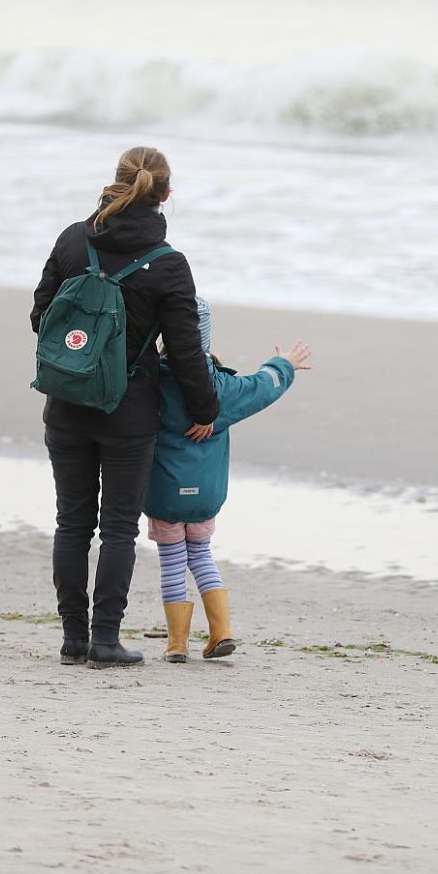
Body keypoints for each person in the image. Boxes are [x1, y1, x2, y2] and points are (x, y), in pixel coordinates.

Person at [31, 146, 219, 669]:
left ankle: (73, 639)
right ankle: (105, 641)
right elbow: (185, 352)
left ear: (117, 182)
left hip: (66, 404)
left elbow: (40, 317)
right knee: (117, 528)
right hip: (129, 413)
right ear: (166, 193)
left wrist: (84, 351)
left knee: (71, 523)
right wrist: (205, 409)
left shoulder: (73, 239)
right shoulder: (169, 265)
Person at [144, 297, 312, 662]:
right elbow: (263, 386)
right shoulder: (223, 389)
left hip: (164, 496)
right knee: (201, 556)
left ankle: (176, 645)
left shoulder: (151, 383)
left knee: (172, 562)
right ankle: (221, 632)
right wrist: (285, 364)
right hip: (206, 496)